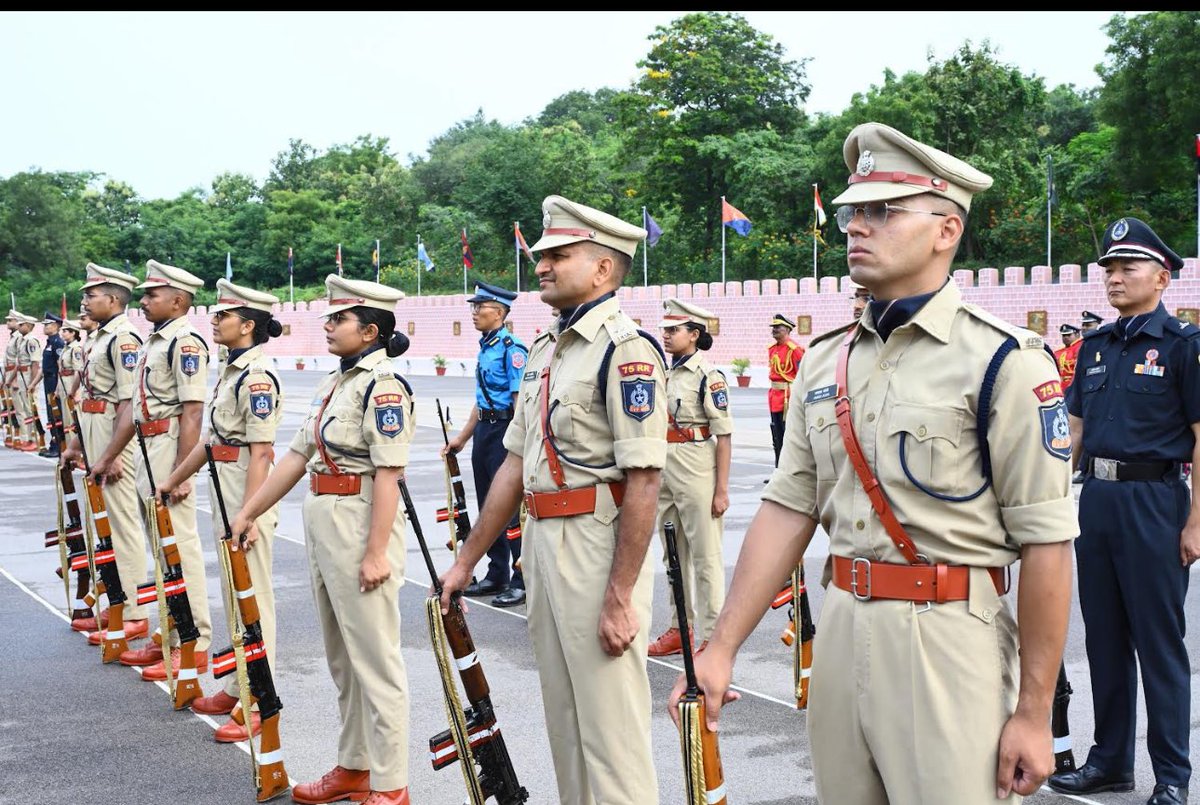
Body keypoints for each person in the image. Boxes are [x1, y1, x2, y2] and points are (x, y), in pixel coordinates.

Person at [673, 122, 1078, 803]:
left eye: (883, 210)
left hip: (948, 640)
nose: (857, 225)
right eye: (853, 211)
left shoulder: (1005, 362)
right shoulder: (824, 360)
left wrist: (1034, 713)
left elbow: (1046, 543)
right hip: (841, 629)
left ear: (946, 229)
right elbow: (788, 507)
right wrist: (721, 646)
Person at [440, 195, 666, 804]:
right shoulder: (544, 351)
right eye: (540, 254)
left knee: (612, 734)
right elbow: (515, 465)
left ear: (602, 269)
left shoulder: (628, 351)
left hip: (597, 548)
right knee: (565, 724)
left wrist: (621, 597)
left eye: (557, 255)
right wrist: (467, 560)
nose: (540, 265)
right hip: (543, 543)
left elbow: (645, 481)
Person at [231, 275, 414, 805]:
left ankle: (391, 783)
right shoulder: (335, 383)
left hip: (359, 521)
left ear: (371, 330)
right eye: (329, 317)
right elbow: (294, 456)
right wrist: (249, 511)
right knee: (342, 657)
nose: (328, 325)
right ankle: (355, 765)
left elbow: (388, 474)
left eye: (340, 319)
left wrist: (377, 551)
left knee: (376, 660)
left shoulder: (384, 387)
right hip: (324, 518)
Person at [1049, 217, 1198, 805]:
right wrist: (1053, 497)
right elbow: (1076, 430)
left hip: (1156, 502)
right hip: (1100, 504)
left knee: (1160, 646)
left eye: (1127, 268)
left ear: (1161, 278)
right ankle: (1110, 761)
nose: (1114, 277)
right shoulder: (1095, 347)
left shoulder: (1183, 347)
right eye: (1108, 269)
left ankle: (1173, 776)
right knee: (1105, 640)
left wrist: (1195, 522)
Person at [158, 279, 285, 743]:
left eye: (223, 316)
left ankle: (259, 700)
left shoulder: (256, 377)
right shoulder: (230, 370)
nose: (213, 320)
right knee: (235, 595)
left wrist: (248, 513)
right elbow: (212, 442)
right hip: (226, 490)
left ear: (247, 325)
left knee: (254, 602)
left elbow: (262, 451)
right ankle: (239, 685)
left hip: (245, 497)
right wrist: (173, 478)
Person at [91, 260, 213, 681]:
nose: (142, 301)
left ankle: (193, 641)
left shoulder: (186, 342)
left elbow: (193, 411)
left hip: (168, 447)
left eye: (151, 295)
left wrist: (181, 472)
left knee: (180, 548)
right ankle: (171, 633)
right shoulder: (155, 340)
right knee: (162, 550)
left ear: (178, 301)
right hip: (149, 445)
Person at [61, 263, 151, 641]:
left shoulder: (125, 338)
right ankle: (114, 601)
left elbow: (130, 404)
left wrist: (111, 455)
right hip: (96, 434)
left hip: (116, 441)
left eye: (91, 294)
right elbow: (90, 397)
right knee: (103, 524)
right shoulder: (99, 337)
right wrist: (77, 445)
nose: (84, 300)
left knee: (121, 523)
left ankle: (132, 611)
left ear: (113, 299)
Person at [647, 298, 733, 658]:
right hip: (664, 464)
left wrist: (722, 491)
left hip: (697, 462)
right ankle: (679, 627)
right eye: (664, 329)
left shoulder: (707, 376)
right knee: (672, 554)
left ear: (694, 335)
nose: (665, 336)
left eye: (673, 330)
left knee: (705, 555)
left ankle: (712, 636)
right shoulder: (663, 372)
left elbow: (724, 435)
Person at [442, 280, 530, 607]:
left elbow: (520, 400)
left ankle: (522, 579)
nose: (475, 312)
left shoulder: (512, 349)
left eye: (481, 307)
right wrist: (462, 439)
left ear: (501, 312)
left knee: (510, 509)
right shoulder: (487, 347)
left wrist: (518, 441)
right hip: (485, 432)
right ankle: (498, 573)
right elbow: (481, 400)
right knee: (486, 504)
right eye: (474, 306)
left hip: (507, 430)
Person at [767, 313, 803, 465]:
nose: (774, 330)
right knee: (776, 434)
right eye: (773, 327)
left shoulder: (794, 350)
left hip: (788, 398)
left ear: (787, 330)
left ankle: (789, 470)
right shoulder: (772, 349)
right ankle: (778, 469)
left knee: (789, 436)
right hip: (774, 396)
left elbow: (802, 375)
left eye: (778, 327)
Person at [37, 313, 65, 457]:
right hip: (48, 380)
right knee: (50, 414)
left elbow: (61, 367)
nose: (45, 327)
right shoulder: (49, 343)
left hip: (54, 381)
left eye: (48, 325)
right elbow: (44, 368)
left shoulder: (58, 343)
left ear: (56, 326)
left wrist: (58, 387)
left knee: (56, 414)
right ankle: (54, 444)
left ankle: (58, 446)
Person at [15, 314, 42, 452]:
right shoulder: (22, 340)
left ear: (29, 326)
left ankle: (35, 438)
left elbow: (35, 363)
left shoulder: (31, 341)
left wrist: (32, 383)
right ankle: (30, 439)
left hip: (27, 377)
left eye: (21, 325)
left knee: (31, 409)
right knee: (26, 409)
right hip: (22, 375)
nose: (19, 327)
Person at [4, 310, 27, 450]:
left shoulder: (19, 338)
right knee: (11, 408)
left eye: (10, 320)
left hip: (16, 375)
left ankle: (25, 437)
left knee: (20, 409)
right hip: (9, 373)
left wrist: (15, 379)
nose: (8, 322)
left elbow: (19, 360)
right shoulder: (13, 337)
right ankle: (17, 436)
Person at [1055, 322, 1082, 389]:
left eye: (1069, 335)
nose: (1066, 337)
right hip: (1061, 385)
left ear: (1077, 335)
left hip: (1075, 385)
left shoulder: (1080, 347)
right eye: (1064, 336)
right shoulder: (1058, 351)